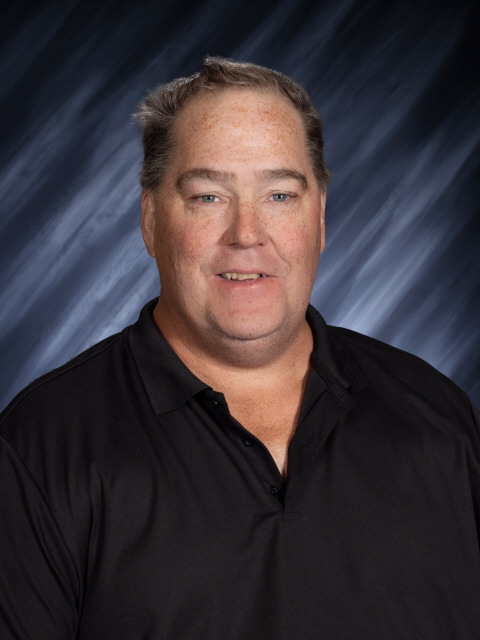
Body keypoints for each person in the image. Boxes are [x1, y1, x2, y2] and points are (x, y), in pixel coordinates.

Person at [1, 56, 479, 639]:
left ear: (320, 217)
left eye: (279, 195)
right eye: (208, 197)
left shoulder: (442, 422)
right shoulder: (39, 451)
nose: (247, 234)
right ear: (150, 219)